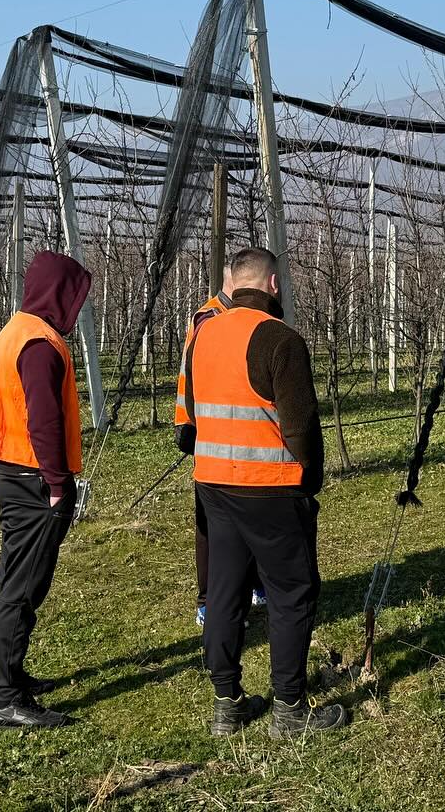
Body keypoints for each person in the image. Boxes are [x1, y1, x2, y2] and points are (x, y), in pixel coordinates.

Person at [186, 246, 349, 737]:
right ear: (274, 286)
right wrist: (311, 480)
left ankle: (227, 704)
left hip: (213, 483)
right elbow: (300, 427)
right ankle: (289, 710)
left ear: (234, 284)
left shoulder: (203, 335)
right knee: (291, 594)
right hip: (270, 489)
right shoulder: (279, 339)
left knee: (223, 593)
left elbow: (194, 410)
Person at [0, 250, 92, 728]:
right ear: (58, 293)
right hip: (33, 480)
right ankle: (5, 698)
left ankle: (8, 676)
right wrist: (59, 485)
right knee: (21, 589)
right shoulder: (41, 344)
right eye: (74, 295)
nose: (76, 306)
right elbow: (42, 420)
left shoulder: (17, 328)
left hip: (13, 472)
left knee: (10, 580)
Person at [174, 262, 266, 627]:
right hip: (207, 430)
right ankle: (208, 600)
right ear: (233, 280)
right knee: (212, 522)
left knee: (248, 514)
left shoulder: (240, 317)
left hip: (233, 431)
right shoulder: (210, 318)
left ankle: (254, 584)